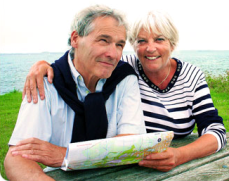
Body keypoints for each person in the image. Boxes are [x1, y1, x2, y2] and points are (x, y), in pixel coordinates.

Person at [22, 11, 227, 172]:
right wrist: (46, 66)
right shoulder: (125, 68)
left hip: (175, 167)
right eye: (141, 41)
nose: (150, 48)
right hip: (128, 166)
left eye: (160, 39)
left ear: (172, 44)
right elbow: (85, 57)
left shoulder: (191, 76)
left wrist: (179, 155)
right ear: (133, 46)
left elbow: (215, 131)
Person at [4, 5, 146, 181]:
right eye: (103, 40)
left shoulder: (124, 78)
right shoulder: (46, 82)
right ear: (75, 39)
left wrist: (66, 155)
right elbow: (17, 157)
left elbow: (133, 145)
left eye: (119, 45)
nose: (113, 54)